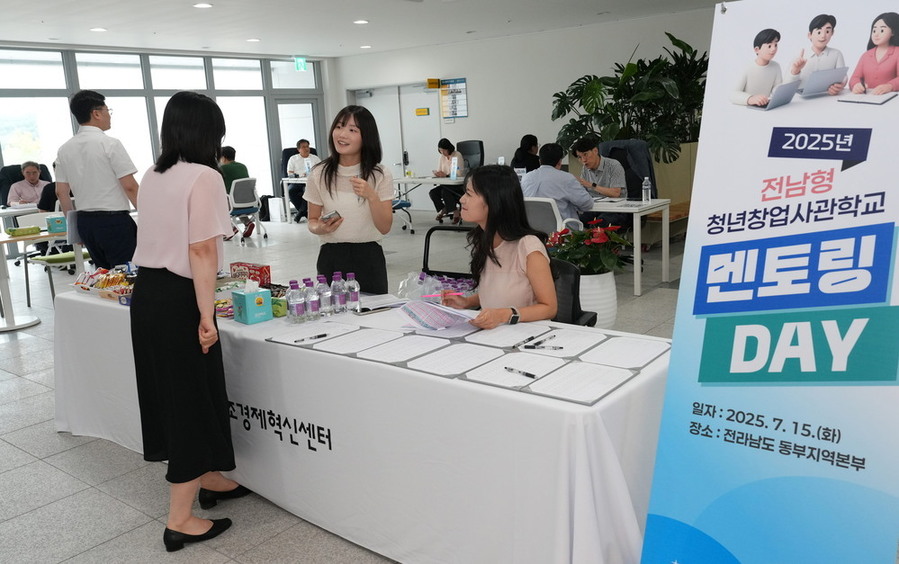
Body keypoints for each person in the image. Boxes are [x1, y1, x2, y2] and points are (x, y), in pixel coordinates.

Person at [130, 91, 250, 553]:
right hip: (181, 298)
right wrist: (207, 316)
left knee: (180, 391)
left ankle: (211, 477)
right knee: (190, 399)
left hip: (149, 294)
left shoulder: (154, 174)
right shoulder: (206, 177)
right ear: (207, 132)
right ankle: (180, 518)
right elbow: (201, 250)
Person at [442, 165, 557, 329]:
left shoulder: (528, 246)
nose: (461, 199)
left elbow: (549, 308)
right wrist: (467, 302)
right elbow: (498, 290)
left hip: (526, 336)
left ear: (493, 201)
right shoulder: (484, 239)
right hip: (494, 334)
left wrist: (505, 314)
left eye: (469, 193)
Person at [304, 105, 394, 294]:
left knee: (373, 317)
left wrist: (371, 196)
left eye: (352, 130)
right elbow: (312, 221)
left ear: (366, 136)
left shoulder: (380, 174)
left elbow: (385, 227)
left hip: (369, 256)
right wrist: (320, 227)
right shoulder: (319, 173)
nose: (342, 134)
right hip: (331, 256)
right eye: (339, 126)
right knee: (332, 317)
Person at [55, 90, 139, 269]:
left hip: (85, 223)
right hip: (113, 222)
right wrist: (150, 218)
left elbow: (61, 192)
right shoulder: (110, 143)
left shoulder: (64, 149)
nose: (109, 115)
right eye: (108, 110)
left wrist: (75, 230)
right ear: (96, 113)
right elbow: (130, 186)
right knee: (128, 276)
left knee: (104, 278)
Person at [520, 143, 593, 222]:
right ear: (560, 162)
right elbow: (587, 204)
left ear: (540, 161)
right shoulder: (566, 178)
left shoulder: (526, 178)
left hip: (532, 230)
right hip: (563, 231)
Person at [788, 14, 846, 95]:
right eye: (819, 32)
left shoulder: (836, 54)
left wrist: (840, 85)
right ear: (809, 35)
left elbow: (843, 76)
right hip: (802, 101)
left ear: (832, 33)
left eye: (827, 31)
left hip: (827, 98)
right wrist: (795, 71)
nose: (823, 36)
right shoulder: (800, 56)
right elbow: (786, 84)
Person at [849, 12, 899, 95]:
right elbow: (854, 78)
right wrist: (856, 85)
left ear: (893, 32)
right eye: (874, 30)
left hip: (891, 99)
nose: (876, 34)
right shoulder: (866, 55)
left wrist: (890, 86)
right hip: (867, 98)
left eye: (882, 30)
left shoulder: (897, 52)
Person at [731, 29, 783, 106]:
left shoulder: (776, 66)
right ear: (757, 49)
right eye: (769, 46)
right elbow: (733, 94)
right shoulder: (747, 68)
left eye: (775, 45)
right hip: (747, 109)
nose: (773, 49)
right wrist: (750, 99)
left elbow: (777, 88)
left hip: (766, 107)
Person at [428, 138, 466, 223]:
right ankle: (444, 208)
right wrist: (437, 174)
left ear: (449, 148)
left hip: (457, 185)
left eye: (444, 150)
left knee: (445, 192)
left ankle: (456, 212)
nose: (442, 153)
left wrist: (446, 175)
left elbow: (459, 173)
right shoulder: (442, 157)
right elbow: (439, 170)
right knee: (433, 193)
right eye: (440, 150)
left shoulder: (457, 155)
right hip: (446, 184)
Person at [219, 146, 253, 237]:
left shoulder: (223, 168)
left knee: (217, 202)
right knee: (235, 200)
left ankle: (229, 229)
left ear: (223, 157)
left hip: (233, 203)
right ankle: (247, 222)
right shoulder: (243, 166)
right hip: (249, 201)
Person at [286, 139, 321, 223]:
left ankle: (300, 213)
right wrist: (300, 175)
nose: (306, 149)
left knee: (308, 190)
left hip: (311, 182)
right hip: (297, 182)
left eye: (307, 146)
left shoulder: (315, 158)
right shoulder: (293, 159)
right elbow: (290, 173)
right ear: (298, 149)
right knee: (290, 191)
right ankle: (304, 212)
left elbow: (321, 170)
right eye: (303, 147)